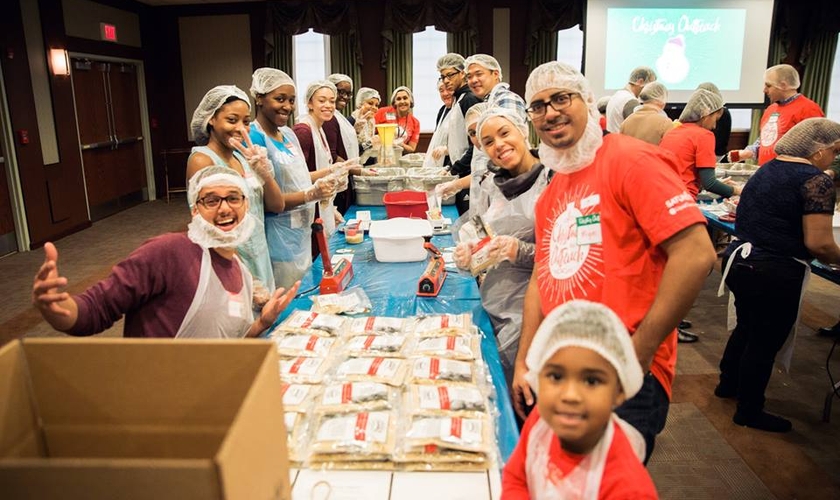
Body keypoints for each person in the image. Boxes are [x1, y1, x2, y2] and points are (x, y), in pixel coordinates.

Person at [514, 62, 716, 462]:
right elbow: (542, 276)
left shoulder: (630, 159)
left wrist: (638, 352)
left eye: (561, 98)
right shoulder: (554, 190)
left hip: (621, 371)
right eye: (538, 106)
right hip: (562, 364)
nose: (550, 112)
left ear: (588, 100)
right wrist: (525, 360)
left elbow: (696, 255)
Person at [32, 166, 300, 339]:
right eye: (211, 200)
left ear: (245, 205)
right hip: (161, 396)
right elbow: (97, 308)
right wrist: (57, 308)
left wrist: (261, 324)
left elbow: (228, 347)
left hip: (210, 392)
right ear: (195, 210)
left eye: (233, 198)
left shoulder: (239, 268)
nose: (224, 209)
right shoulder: (169, 252)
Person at [717, 118, 840, 432]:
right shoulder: (815, 180)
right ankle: (749, 409)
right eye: (833, 151)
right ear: (818, 151)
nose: (833, 158)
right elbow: (819, 243)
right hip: (774, 271)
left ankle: (727, 384)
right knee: (764, 340)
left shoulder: (767, 169)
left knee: (746, 327)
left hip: (741, 262)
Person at [502, 300, 658, 499]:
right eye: (556, 377)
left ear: (620, 391)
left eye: (591, 381)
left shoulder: (628, 487)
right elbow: (517, 477)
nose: (570, 395)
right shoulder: (539, 421)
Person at [452, 107, 549, 385]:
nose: (499, 145)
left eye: (504, 133)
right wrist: (470, 253)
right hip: (495, 302)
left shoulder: (551, 181)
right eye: (489, 141)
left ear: (523, 130)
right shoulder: (493, 184)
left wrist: (520, 251)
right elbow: (486, 234)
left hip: (534, 313)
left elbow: (564, 257)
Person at [187, 85, 284, 298]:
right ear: (211, 119)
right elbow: (209, 230)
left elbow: (277, 205)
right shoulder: (203, 160)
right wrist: (245, 277)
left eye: (246, 122)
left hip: (259, 255)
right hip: (230, 264)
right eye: (232, 120)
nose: (241, 128)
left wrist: (265, 172)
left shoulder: (243, 157)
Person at [249, 68, 337, 289]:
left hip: (302, 232)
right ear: (259, 98)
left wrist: (327, 178)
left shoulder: (288, 134)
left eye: (291, 100)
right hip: (278, 237)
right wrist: (311, 194)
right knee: (286, 300)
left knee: (305, 289)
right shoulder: (254, 137)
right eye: (280, 99)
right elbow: (268, 200)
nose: (287, 106)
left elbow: (298, 177)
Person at [728, 64, 824, 166]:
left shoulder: (809, 109)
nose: (764, 90)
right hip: (767, 172)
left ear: (783, 85)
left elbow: (816, 149)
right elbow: (765, 141)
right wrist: (748, 152)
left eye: (768, 85)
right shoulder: (770, 109)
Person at [293, 80, 353, 238]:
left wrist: (331, 208)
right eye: (322, 100)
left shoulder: (320, 129)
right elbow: (298, 179)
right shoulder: (303, 131)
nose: (328, 105)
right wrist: (331, 170)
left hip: (322, 205)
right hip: (309, 211)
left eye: (332, 101)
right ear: (309, 103)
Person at [660, 89, 741, 199]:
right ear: (706, 113)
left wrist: (720, 184)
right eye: (715, 119)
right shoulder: (704, 135)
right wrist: (737, 190)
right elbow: (710, 184)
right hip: (682, 199)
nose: (714, 126)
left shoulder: (673, 132)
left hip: (662, 195)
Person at [437, 53, 482, 214]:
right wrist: (451, 167)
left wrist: (455, 168)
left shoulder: (469, 100)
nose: (446, 81)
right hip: (462, 171)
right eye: (443, 77)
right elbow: (458, 142)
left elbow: (477, 145)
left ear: (462, 73)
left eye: (450, 75)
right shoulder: (458, 100)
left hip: (470, 174)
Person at [325, 73, 362, 213]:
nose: (345, 97)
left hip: (345, 175)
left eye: (348, 93)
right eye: (341, 92)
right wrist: (358, 170)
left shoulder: (339, 117)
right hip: (337, 180)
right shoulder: (330, 118)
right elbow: (333, 155)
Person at [605, 66, 657, 133]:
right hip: (623, 141)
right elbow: (638, 131)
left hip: (614, 140)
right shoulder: (631, 102)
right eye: (649, 86)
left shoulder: (617, 95)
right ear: (640, 81)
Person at [374, 86, 420, 154]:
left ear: (410, 100)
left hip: (400, 157)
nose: (402, 101)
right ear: (394, 102)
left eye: (405, 98)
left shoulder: (415, 122)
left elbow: (412, 148)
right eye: (398, 99)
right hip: (380, 155)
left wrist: (399, 144)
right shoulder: (382, 112)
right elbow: (370, 134)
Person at [697, 82, 732, 158]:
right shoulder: (694, 112)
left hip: (716, 155)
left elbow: (720, 144)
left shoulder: (724, 113)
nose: (714, 126)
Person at [352, 87, 381, 163]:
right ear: (360, 103)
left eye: (377, 105)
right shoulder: (351, 120)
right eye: (370, 103)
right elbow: (350, 150)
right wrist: (370, 143)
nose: (374, 107)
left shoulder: (371, 121)